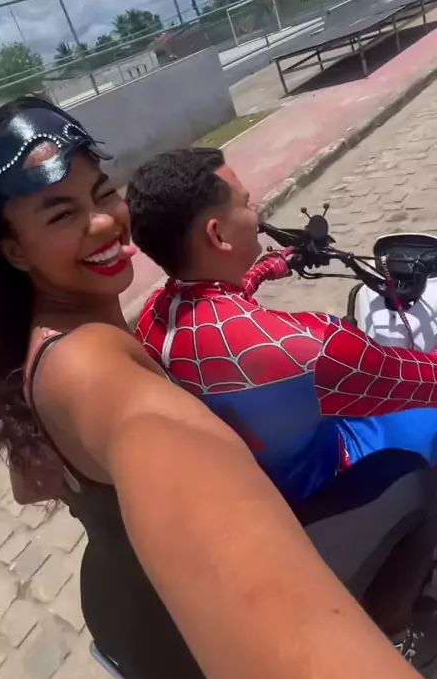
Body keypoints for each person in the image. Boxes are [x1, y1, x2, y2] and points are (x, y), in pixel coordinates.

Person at [0, 98, 431, 679]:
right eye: (60, 214)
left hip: (121, 614)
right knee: (411, 473)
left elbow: (31, 486)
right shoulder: (103, 380)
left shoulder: (53, 348)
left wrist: (274, 264)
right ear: (15, 250)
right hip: (189, 653)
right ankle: (396, 629)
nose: (103, 223)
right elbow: (283, 630)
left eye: (102, 194)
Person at [128, 147, 437, 509]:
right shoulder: (312, 347)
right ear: (217, 235)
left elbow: (221, 303)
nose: (256, 211)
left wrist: (276, 263)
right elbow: (426, 378)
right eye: (246, 204)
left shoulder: (154, 317)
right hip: (335, 472)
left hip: (259, 492)